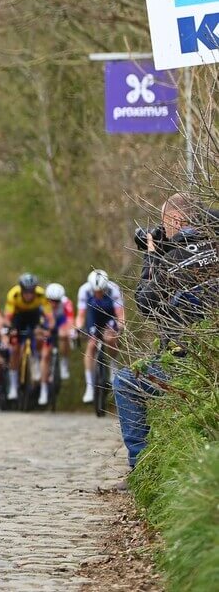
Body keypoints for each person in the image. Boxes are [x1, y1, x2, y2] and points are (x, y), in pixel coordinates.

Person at [115, 193, 218, 468]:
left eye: (166, 223)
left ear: (174, 218)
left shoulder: (170, 260)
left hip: (185, 362)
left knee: (125, 381)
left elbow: (145, 303)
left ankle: (142, 466)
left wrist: (152, 254)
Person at [3, 273, 53, 405]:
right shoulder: (13, 294)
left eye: (31, 292)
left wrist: (48, 328)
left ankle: (35, 359)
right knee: (15, 349)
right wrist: (10, 328)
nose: (29, 295)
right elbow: (7, 317)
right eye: (26, 292)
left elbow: (49, 316)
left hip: (34, 316)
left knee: (38, 334)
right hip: (18, 317)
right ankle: (13, 386)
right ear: (21, 290)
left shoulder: (41, 295)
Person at [75, 269, 124, 403]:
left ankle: (113, 368)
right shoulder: (84, 290)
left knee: (111, 338)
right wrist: (78, 328)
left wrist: (120, 327)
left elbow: (120, 315)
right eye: (95, 291)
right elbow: (80, 315)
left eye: (101, 290)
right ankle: (90, 387)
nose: (98, 293)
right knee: (91, 344)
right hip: (93, 317)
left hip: (109, 317)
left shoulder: (114, 289)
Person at [45, 283, 74, 380]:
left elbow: (70, 320)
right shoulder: (43, 303)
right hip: (48, 322)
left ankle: (64, 361)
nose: (53, 304)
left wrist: (69, 331)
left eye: (56, 301)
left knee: (63, 334)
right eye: (51, 301)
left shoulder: (66, 302)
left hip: (61, 322)